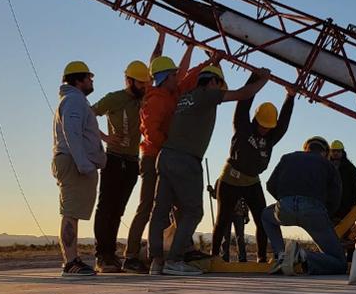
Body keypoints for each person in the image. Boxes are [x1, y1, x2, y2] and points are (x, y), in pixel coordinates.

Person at [149, 66, 272, 276]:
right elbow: (244, 94)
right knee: (194, 211)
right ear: (213, 82)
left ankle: (156, 261)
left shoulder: (186, 96)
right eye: (220, 84)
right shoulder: (208, 94)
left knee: (160, 211)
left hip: (166, 157)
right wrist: (263, 79)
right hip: (186, 160)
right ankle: (175, 260)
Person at [121, 30, 218, 273]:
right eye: (174, 74)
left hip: (169, 157)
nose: (179, 76)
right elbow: (150, 131)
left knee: (177, 207)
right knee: (150, 207)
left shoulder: (173, 92)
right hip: (155, 156)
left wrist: (209, 61)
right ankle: (132, 254)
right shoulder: (155, 100)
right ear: (166, 78)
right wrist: (170, 146)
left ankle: (180, 249)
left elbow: (187, 74)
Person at [210, 73, 295, 263]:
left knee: (262, 219)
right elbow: (243, 104)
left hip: (252, 181)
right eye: (262, 125)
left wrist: (290, 97)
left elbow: (284, 123)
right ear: (256, 119)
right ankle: (214, 257)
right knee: (223, 219)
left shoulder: (271, 137)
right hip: (231, 178)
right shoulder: (242, 127)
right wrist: (255, 78)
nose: (265, 129)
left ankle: (262, 257)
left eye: (268, 126)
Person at [90, 60, 151, 273]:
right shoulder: (114, 98)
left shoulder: (144, 99)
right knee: (106, 207)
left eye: (146, 82)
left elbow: (155, 60)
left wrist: (160, 37)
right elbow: (88, 114)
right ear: (130, 80)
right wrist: (106, 137)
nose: (144, 86)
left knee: (118, 210)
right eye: (141, 83)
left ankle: (111, 255)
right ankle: (102, 255)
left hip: (133, 161)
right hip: (114, 159)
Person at [51, 61, 107, 277]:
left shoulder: (76, 101)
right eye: (88, 77)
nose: (91, 81)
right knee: (71, 212)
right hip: (73, 163)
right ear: (78, 80)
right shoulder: (74, 100)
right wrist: (83, 163)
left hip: (76, 162)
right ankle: (71, 262)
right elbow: (71, 132)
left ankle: (72, 260)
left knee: (73, 211)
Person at [262, 136, 346, 276]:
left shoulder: (287, 158)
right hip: (314, 211)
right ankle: (301, 255)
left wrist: (285, 201)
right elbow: (336, 196)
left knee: (266, 215)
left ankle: (281, 255)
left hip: (285, 207)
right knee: (339, 262)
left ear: (306, 148)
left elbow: (270, 185)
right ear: (325, 152)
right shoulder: (328, 164)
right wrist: (326, 214)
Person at [328, 140, 356, 225]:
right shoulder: (326, 166)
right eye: (333, 151)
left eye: (338, 151)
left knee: (346, 234)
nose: (335, 153)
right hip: (329, 208)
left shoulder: (350, 168)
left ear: (342, 152)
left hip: (346, 208)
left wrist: (353, 204)